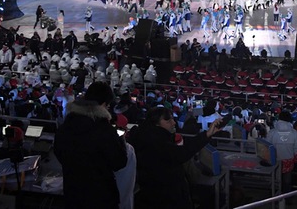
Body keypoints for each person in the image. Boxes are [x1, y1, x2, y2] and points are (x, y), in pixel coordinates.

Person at [127, 106, 225, 209]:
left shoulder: (151, 137)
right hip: (165, 199)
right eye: (168, 120)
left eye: (172, 119)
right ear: (155, 123)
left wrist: (207, 134)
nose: (173, 123)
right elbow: (181, 153)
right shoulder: (154, 143)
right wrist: (206, 135)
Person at [54, 81, 129, 209]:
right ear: (104, 104)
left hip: (72, 193)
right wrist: (120, 140)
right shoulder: (103, 129)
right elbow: (119, 162)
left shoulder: (67, 125)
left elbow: (59, 152)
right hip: (101, 196)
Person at [270, 111, 297, 194]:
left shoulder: (272, 132)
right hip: (288, 160)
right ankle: (286, 198)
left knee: (275, 180)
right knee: (287, 182)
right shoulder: (294, 133)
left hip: (275, 160)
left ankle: (274, 197)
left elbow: (268, 146)